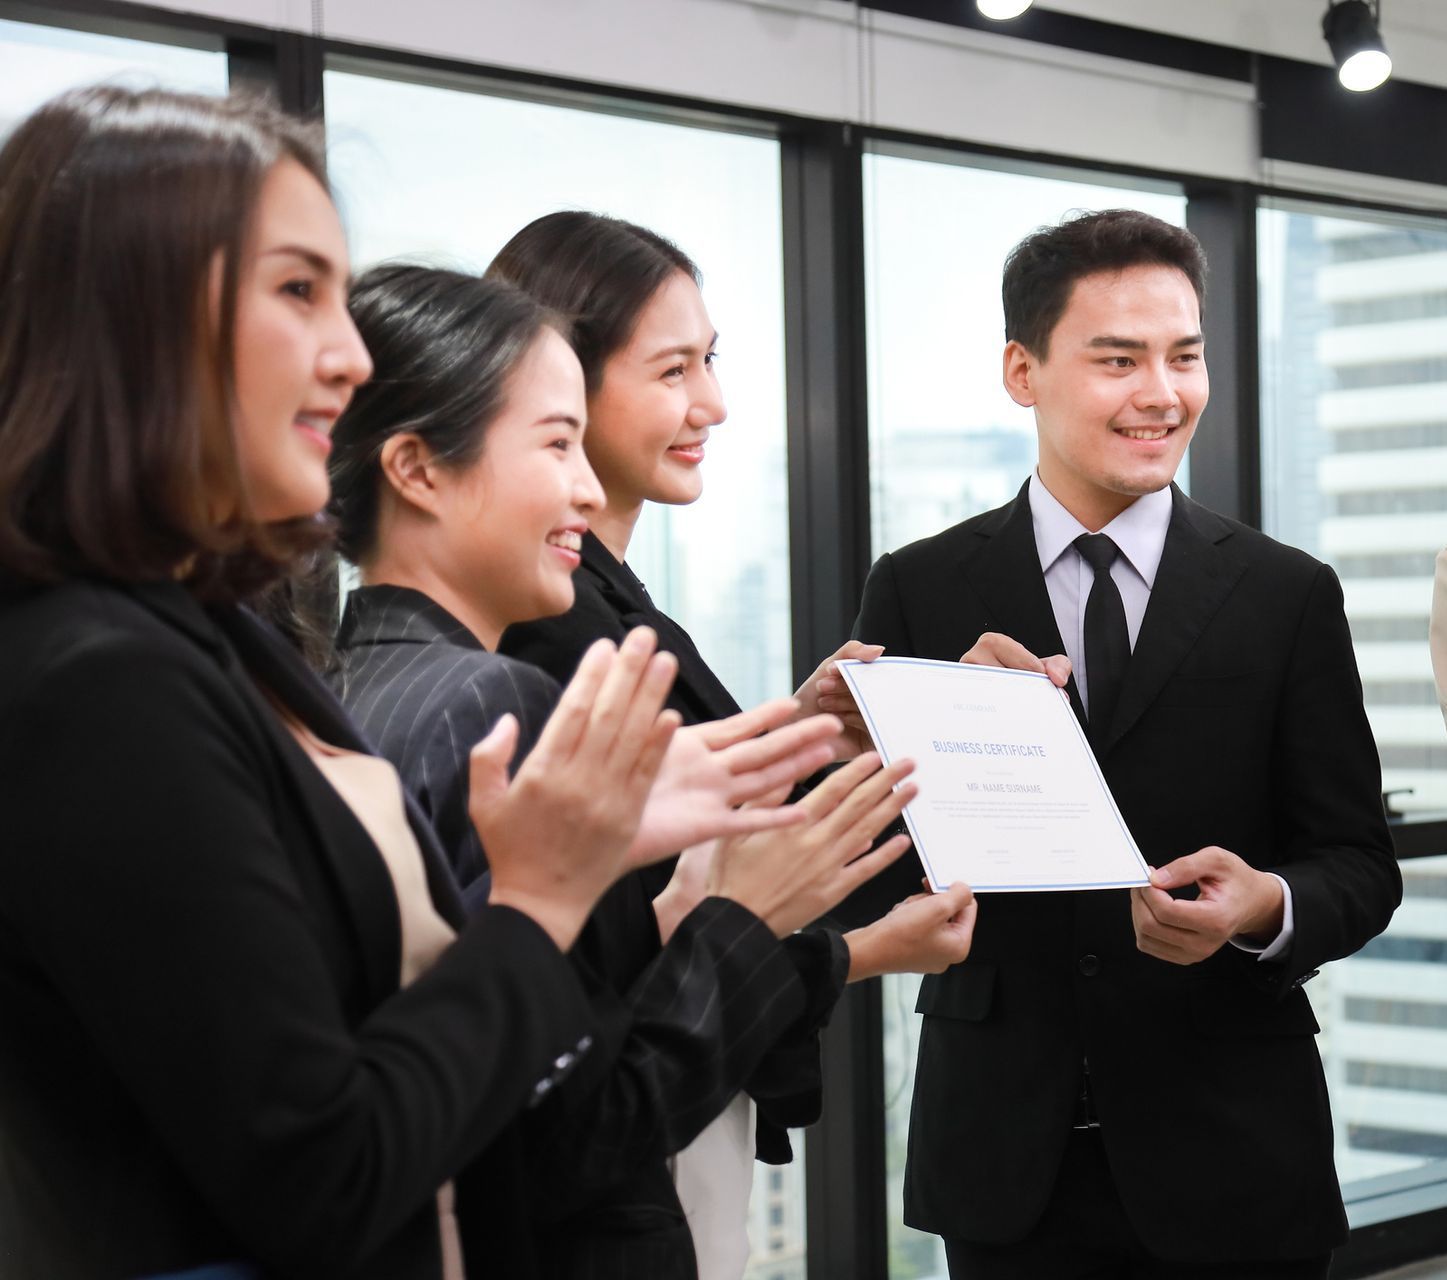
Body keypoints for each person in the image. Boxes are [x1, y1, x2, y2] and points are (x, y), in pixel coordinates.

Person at [0, 86, 825, 1280]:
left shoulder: (214, 635)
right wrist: (543, 896)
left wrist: (595, 849)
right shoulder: (98, 676)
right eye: (297, 292)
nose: (345, 352)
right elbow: (325, 1165)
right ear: (129, 315)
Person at [325, 261, 977, 1277]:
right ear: (415, 468)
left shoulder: (352, 679)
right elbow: (576, 1126)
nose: (585, 484)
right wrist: (746, 919)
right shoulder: (492, 702)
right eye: (555, 442)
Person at [850, 208, 1401, 1278]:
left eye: (1183, 356)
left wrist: (1264, 906)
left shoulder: (1286, 593)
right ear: (1023, 370)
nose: (1161, 392)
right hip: (1009, 1156)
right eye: (1117, 359)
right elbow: (865, 871)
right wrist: (944, 752)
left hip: (1234, 1146)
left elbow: (1356, 865)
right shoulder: (919, 585)